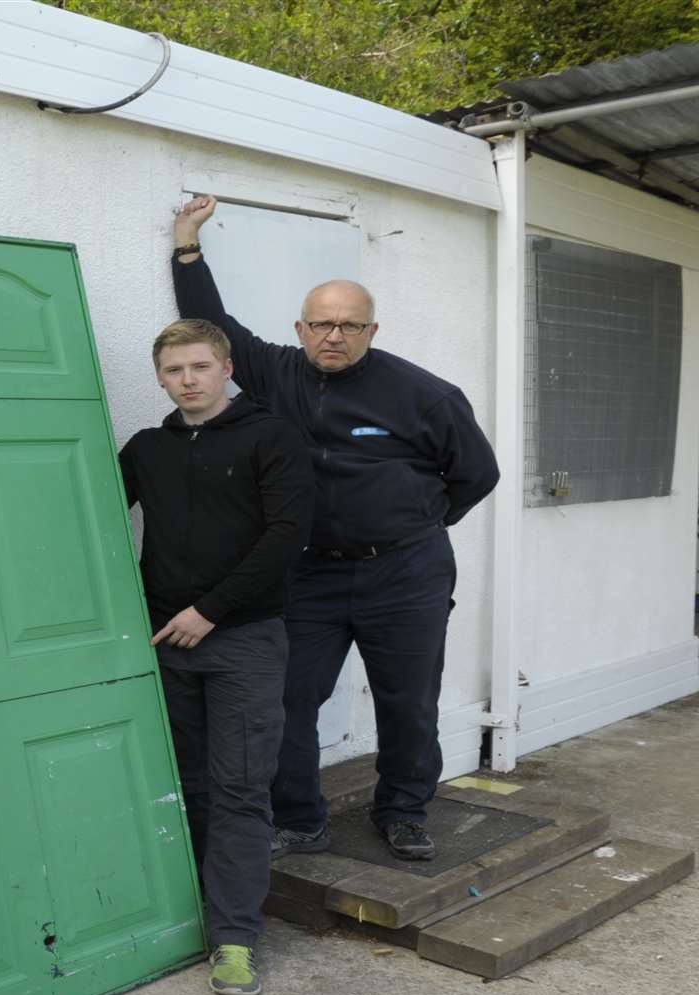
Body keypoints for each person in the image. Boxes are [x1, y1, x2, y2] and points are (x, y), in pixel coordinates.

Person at [170, 195, 500, 863]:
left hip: (405, 573)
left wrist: (414, 525)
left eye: (350, 325)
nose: (334, 336)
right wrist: (186, 244)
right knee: (288, 698)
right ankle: (299, 820)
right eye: (322, 323)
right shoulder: (276, 375)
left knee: (408, 703)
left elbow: (477, 475)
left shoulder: (424, 394)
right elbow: (211, 325)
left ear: (372, 331)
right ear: (300, 327)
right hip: (311, 573)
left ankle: (404, 812)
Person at [121, 318, 313, 995]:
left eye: (201, 367)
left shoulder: (272, 437)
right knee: (186, 784)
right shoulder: (147, 448)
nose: (189, 380)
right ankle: (190, 917)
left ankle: (235, 938)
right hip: (165, 642)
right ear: (161, 378)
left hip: (243, 642)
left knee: (237, 788)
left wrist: (211, 611)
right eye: (175, 371)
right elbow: (84, 518)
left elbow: (287, 536)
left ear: (227, 367)